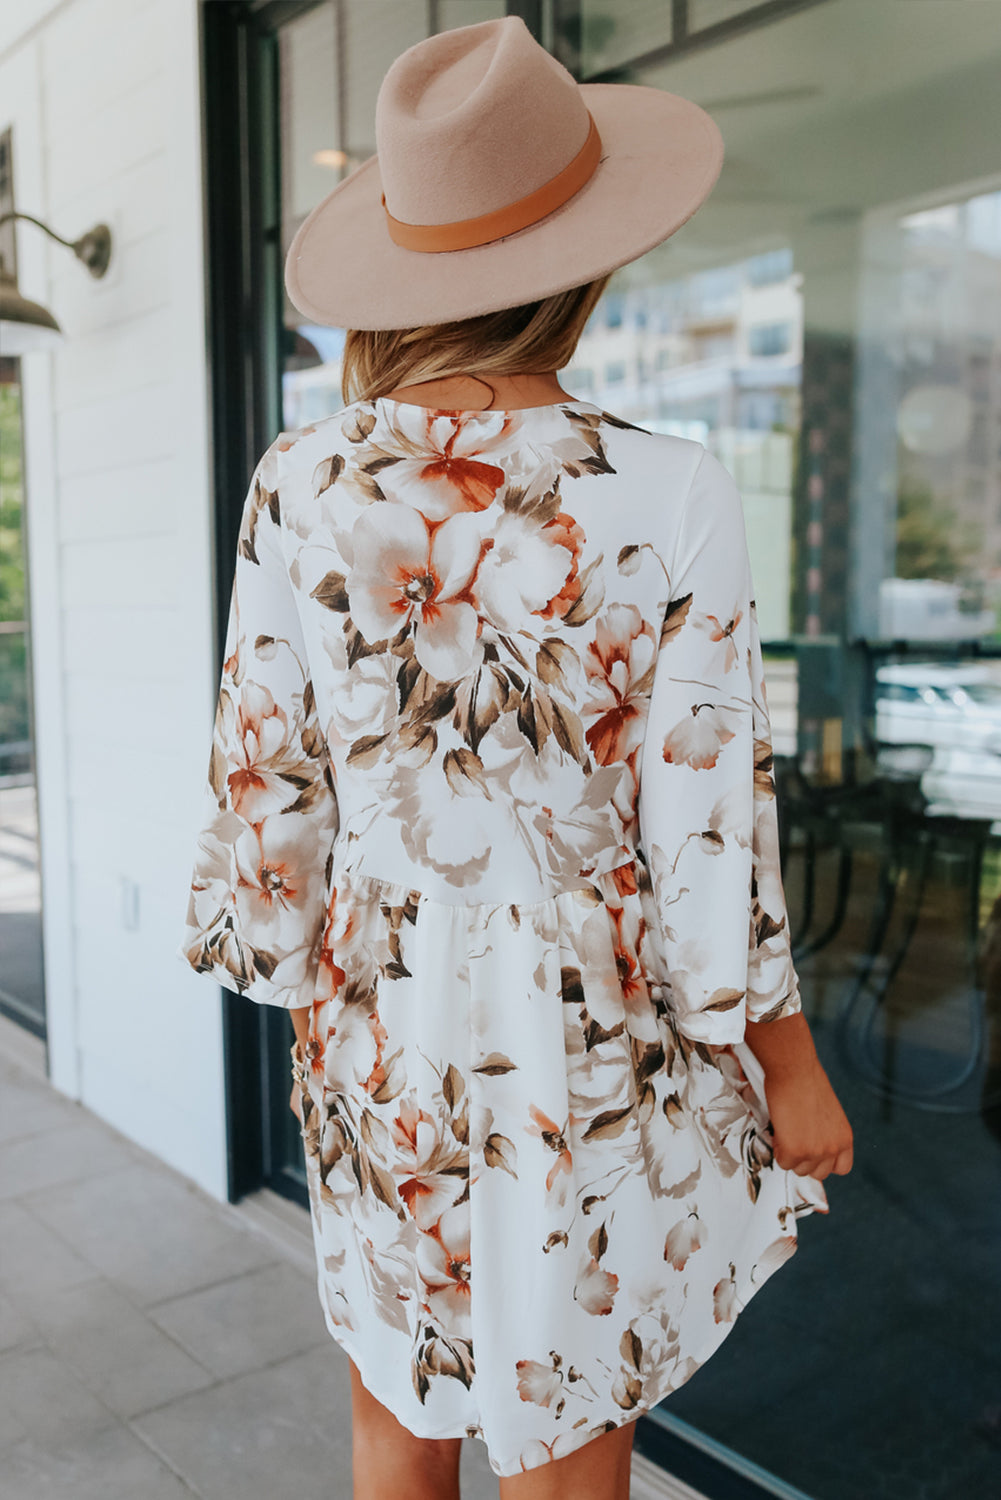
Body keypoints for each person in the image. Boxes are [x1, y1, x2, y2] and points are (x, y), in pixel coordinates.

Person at [178, 16, 853, 1500]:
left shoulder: (296, 479)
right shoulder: (670, 490)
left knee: (392, 1413)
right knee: (566, 1441)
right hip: (585, 1007)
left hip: (374, 1008)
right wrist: (782, 1057)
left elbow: (267, 776)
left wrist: (301, 987)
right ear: (584, 263)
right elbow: (703, 822)